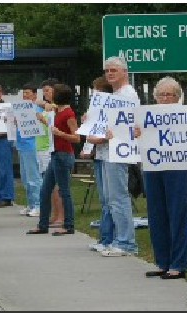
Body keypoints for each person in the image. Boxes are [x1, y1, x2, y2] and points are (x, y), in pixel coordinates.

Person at [134, 76, 187, 279]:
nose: (165, 98)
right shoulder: (146, 115)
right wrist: (137, 133)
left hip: (178, 167)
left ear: (178, 97)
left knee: (178, 213)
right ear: (155, 97)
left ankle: (178, 263)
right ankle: (162, 261)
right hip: (153, 166)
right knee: (156, 213)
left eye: (170, 94)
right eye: (161, 94)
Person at [86, 57, 138, 257]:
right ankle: (112, 238)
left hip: (117, 151)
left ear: (125, 72)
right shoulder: (112, 94)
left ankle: (125, 241)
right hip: (106, 151)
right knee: (109, 199)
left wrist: (105, 135)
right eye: (107, 70)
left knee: (118, 197)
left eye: (114, 70)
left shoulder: (127, 94)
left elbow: (127, 125)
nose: (109, 73)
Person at [27, 83, 80, 235]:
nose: (50, 95)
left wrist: (60, 134)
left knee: (64, 191)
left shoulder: (68, 114)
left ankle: (68, 224)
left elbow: (76, 137)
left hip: (64, 154)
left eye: (53, 92)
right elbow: (49, 117)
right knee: (45, 190)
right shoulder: (56, 111)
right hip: (55, 153)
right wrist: (43, 120)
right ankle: (42, 224)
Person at [82, 76, 114, 253]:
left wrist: (98, 138)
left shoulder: (110, 109)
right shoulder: (96, 110)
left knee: (110, 199)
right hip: (98, 155)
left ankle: (109, 237)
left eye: (96, 91)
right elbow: (90, 133)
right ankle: (104, 237)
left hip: (108, 155)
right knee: (104, 199)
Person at [34, 78, 64, 227]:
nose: (45, 93)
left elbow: (55, 126)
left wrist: (43, 119)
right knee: (48, 185)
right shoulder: (45, 108)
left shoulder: (55, 107)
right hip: (41, 146)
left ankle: (61, 216)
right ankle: (54, 214)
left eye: (48, 90)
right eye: (43, 90)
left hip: (50, 147)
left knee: (55, 185)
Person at [15, 83, 43, 217]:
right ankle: (31, 204)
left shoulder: (38, 108)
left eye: (28, 93)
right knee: (25, 178)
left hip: (32, 145)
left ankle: (38, 205)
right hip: (21, 145)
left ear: (34, 95)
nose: (25, 95)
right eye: (24, 93)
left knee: (34, 177)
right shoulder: (20, 109)